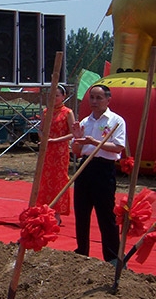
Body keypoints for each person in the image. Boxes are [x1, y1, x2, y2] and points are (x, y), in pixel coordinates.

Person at [71, 84, 126, 263]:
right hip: (85, 167)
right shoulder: (85, 122)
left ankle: (112, 257)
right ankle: (81, 251)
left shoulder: (116, 120)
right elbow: (77, 151)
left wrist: (94, 142)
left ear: (108, 100)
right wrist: (77, 139)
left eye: (98, 98)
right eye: (92, 97)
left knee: (106, 214)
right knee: (81, 212)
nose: (94, 101)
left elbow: (118, 147)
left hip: (104, 168)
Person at [36, 84, 76, 221]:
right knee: (45, 179)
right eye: (51, 96)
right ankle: (43, 209)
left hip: (60, 151)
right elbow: (40, 129)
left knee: (58, 180)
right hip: (47, 150)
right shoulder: (46, 112)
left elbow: (73, 133)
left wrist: (56, 140)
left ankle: (57, 213)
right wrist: (44, 138)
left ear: (63, 97)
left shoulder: (68, 113)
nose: (54, 98)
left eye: (57, 96)